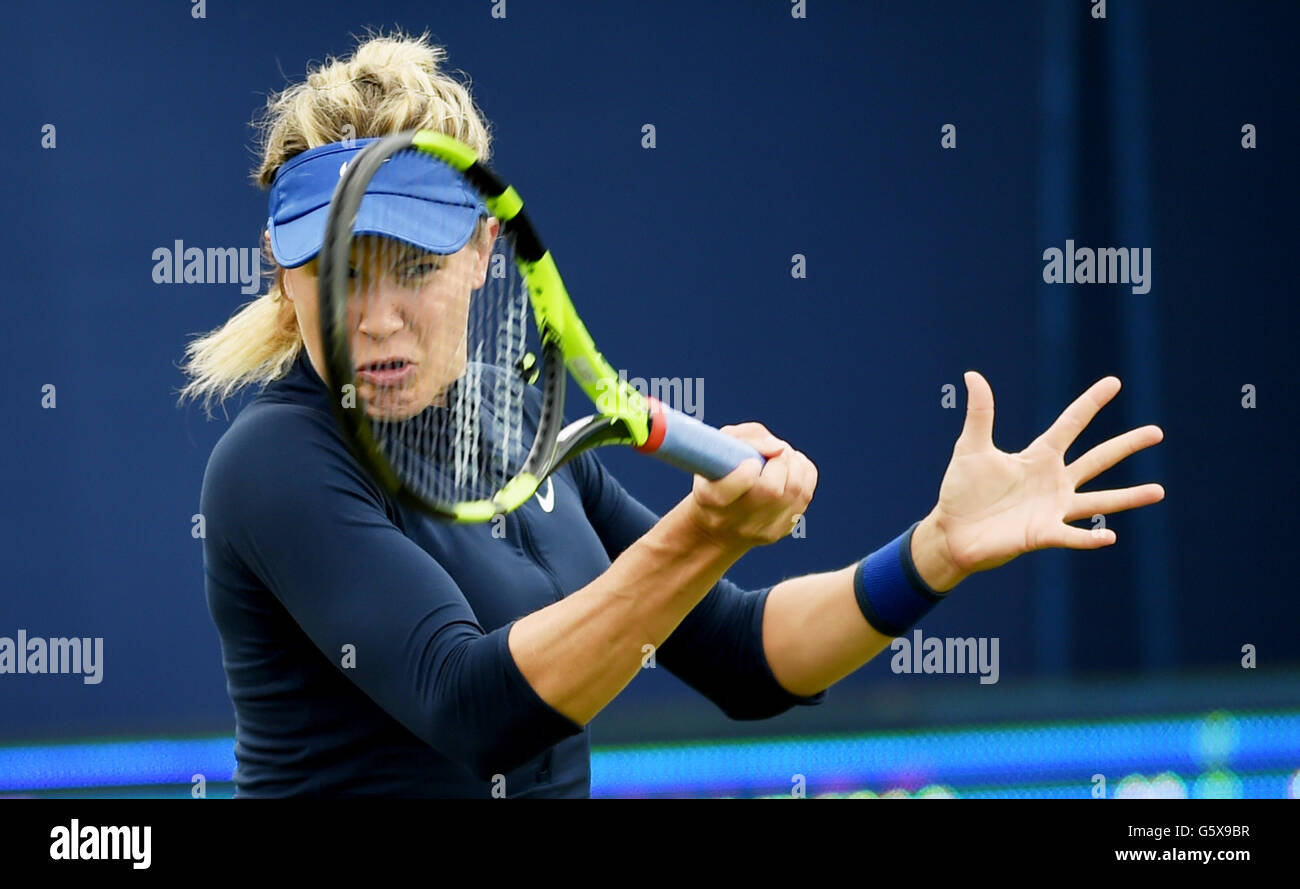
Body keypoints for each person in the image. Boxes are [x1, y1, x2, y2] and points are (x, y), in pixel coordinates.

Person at [180, 31, 1165, 798]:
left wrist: (932, 553)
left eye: (415, 268)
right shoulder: (272, 464)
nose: (376, 317)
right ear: (280, 275)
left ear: (482, 253)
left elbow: (742, 656)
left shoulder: (524, 428)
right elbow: (473, 706)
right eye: (336, 273)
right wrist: (703, 531)